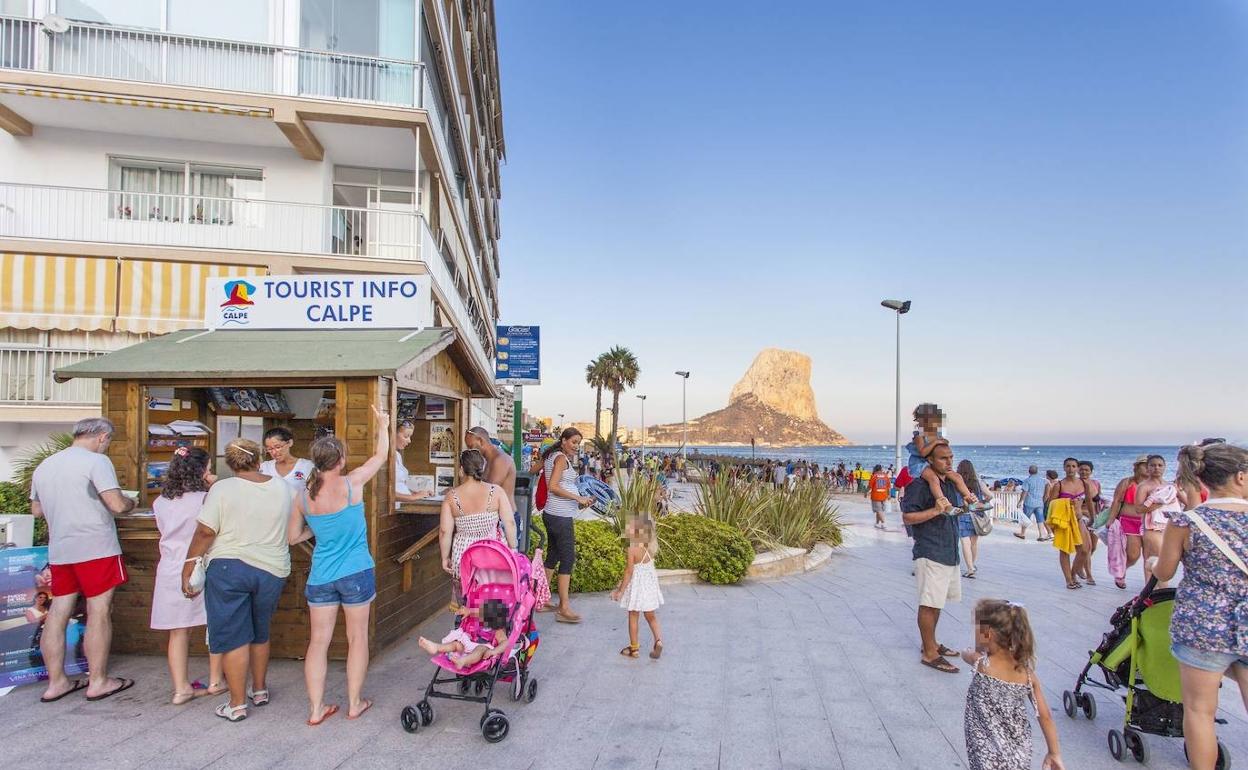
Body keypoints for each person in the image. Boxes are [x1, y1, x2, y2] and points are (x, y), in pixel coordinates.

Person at [287, 405, 389, 726]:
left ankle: (316, 709)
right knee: (357, 638)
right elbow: (380, 456)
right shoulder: (352, 483)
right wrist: (382, 424)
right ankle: (355, 702)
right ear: (341, 460)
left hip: (321, 575)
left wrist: (314, 529)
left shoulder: (303, 497)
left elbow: (292, 537)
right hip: (356, 571)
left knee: (318, 642)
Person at [1150, 442, 1248, 770]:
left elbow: (1164, 573)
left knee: (1200, 712)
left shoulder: (1186, 522)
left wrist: (1153, 561)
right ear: (1240, 476)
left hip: (1201, 626)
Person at [182, 438, 291, 723]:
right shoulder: (281, 486)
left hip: (229, 567)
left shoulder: (222, 488)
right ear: (258, 459)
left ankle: (237, 703)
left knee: (234, 637)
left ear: (230, 464)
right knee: (260, 631)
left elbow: (206, 532)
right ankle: (260, 689)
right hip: (272, 569)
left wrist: (189, 564)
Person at [29, 417, 136, 703]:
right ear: (102, 437)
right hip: (95, 546)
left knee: (57, 612)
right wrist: (130, 502)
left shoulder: (46, 465)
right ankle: (98, 681)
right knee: (99, 610)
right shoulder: (96, 462)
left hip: (61, 549)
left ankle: (56, 683)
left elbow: (37, 510)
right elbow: (115, 504)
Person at [151, 447, 224, 704]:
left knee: (178, 631)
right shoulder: (206, 498)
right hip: (201, 563)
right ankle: (216, 680)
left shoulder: (160, 502)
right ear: (202, 471)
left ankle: (181, 687)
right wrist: (215, 486)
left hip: (170, 567)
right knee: (214, 625)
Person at [961, 599, 1065, 770]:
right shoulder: (1027, 675)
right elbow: (1045, 716)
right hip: (1018, 751)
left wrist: (979, 644)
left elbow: (966, 653)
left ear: (988, 633)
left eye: (978, 629)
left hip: (986, 751)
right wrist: (1054, 753)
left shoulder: (982, 665)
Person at [902, 442, 963, 674]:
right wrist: (936, 511)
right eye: (943, 459)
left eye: (951, 457)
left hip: (949, 550)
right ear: (929, 461)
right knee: (929, 603)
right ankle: (929, 653)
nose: (949, 462)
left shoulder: (948, 483)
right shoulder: (920, 485)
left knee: (938, 602)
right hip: (930, 550)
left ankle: (932, 644)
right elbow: (908, 517)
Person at [439, 449, 518, 600]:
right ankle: (490, 621)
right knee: (492, 598)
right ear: (482, 468)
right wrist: (513, 548)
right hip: (493, 553)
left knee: (466, 598)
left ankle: (464, 622)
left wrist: (445, 557)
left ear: (461, 469)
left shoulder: (451, 497)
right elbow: (510, 523)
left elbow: (444, 531)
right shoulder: (496, 491)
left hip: (464, 555)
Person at [540, 428, 593, 623]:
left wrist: (580, 499)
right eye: (573, 442)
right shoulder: (561, 458)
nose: (576, 446)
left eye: (578, 443)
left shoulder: (551, 455)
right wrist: (577, 497)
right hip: (560, 516)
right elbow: (553, 486)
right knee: (568, 558)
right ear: (563, 440)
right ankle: (563, 607)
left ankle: (542, 600)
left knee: (553, 555)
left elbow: (535, 472)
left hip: (552, 514)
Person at [906, 403, 990, 514]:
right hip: (921, 463)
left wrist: (940, 442)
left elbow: (943, 445)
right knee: (933, 479)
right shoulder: (919, 436)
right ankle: (945, 505)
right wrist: (936, 442)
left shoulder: (937, 434)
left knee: (957, 477)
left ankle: (971, 502)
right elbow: (923, 452)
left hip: (935, 462)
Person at [610, 512, 664, 659]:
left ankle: (634, 649)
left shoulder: (632, 549)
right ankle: (658, 640)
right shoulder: (651, 548)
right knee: (651, 616)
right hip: (649, 587)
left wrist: (620, 591)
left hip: (638, 588)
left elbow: (629, 571)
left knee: (633, 615)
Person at [1044, 458, 1095, 590]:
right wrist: (1067, 503)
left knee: (1084, 550)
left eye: (1073, 466)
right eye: (1068, 466)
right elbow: (1051, 504)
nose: (1071, 469)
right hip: (1064, 521)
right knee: (1065, 550)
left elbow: (1089, 501)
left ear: (1077, 468)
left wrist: (1092, 517)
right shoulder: (1059, 485)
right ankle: (1069, 580)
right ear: (1064, 468)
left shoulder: (1084, 484)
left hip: (1078, 520)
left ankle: (1073, 574)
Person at [417, 599, 510, 670]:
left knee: (479, 649)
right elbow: (476, 612)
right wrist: (469, 611)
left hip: (483, 649)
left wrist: (493, 652)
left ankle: (463, 661)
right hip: (470, 644)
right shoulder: (482, 619)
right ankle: (436, 647)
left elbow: (505, 643)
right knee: (456, 644)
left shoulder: (498, 630)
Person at [1136, 454, 1181, 588]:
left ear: (1165, 467)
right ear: (1147, 468)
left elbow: (1188, 502)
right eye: (1153, 465)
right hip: (1152, 527)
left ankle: (1153, 592)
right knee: (1157, 558)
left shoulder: (1170, 486)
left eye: (1160, 465)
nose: (1156, 468)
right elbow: (1138, 509)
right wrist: (1159, 504)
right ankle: (1158, 591)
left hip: (1170, 526)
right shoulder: (1144, 486)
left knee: (1165, 559)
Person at [1106, 455, 1150, 587]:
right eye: (1145, 465)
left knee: (1149, 556)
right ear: (1136, 467)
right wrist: (1111, 519)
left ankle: (1149, 584)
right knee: (1133, 554)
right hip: (1129, 522)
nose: (1148, 468)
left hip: (1148, 523)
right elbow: (1117, 501)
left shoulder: (1153, 484)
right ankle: (1121, 570)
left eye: (1150, 465)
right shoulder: (1127, 482)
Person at [956, 460, 992, 579]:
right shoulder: (978, 482)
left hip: (963, 514)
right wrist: (981, 502)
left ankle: (970, 568)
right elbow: (990, 496)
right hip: (977, 514)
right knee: (974, 543)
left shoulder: (956, 482)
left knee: (965, 542)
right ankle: (972, 565)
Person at [466, 426, 516, 501]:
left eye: (471, 447)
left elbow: (489, 493)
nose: (470, 451)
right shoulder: (488, 460)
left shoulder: (500, 459)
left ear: (481, 441)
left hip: (505, 512)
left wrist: (460, 492)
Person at [259, 427, 314, 492]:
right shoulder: (264, 467)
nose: (274, 452)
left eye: (278, 447)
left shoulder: (307, 466)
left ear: (290, 443)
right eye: (270, 449)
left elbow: (314, 494)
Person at [393, 421, 433, 504]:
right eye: (406, 436)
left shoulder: (397, 455)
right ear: (393, 434)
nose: (409, 441)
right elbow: (384, 492)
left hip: (401, 506)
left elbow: (399, 485)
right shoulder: (384, 457)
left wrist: (416, 493)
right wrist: (413, 497)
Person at [1076, 460, 1102, 585]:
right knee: (1086, 547)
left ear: (1091, 471)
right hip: (1082, 518)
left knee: (1093, 547)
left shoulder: (1096, 483)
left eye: (1087, 470)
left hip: (1095, 518)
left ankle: (1079, 566)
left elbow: (1098, 501)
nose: (1084, 472)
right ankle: (1089, 575)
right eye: (1081, 469)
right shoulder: (1076, 484)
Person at [1016, 465, 1051, 541]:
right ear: (1037, 471)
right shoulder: (1043, 480)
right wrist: (1044, 500)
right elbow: (1047, 488)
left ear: (1029, 471)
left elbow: (1024, 492)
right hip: (1039, 503)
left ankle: (1022, 533)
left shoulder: (1027, 480)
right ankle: (1041, 535)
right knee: (1040, 519)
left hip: (1029, 502)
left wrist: (1020, 501)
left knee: (1026, 518)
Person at [868, 464, 890, 529]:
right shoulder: (885, 476)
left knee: (878, 510)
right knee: (880, 510)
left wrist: (865, 492)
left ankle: (883, 523)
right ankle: (877, 523)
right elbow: (888, 487)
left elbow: (870, 486)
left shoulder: (874, 476)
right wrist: (889, 495)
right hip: (884, 495)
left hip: (876, 495)